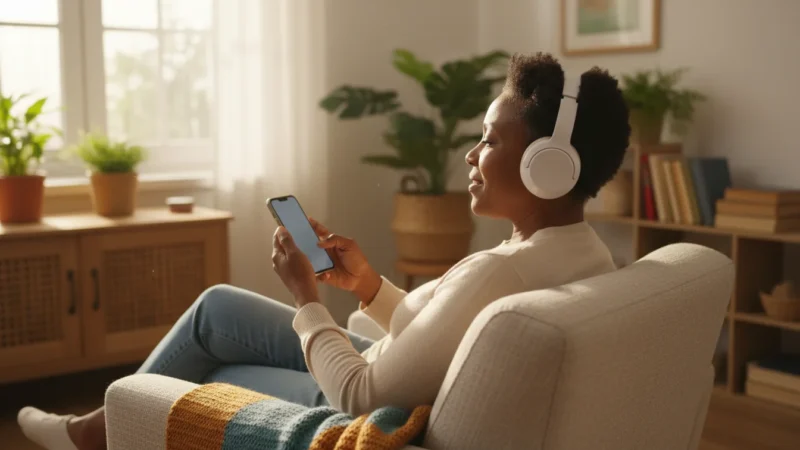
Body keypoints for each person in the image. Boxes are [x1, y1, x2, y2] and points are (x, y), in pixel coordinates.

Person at [17, 52, 630, 450]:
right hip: (406, 369)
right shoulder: (582, 254)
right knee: (217, 309)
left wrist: (305, 298)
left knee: (216, 365)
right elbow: (448, 330)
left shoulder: (501, 271)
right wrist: (368, 287)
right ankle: (96, 431)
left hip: (372, 403)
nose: (471, 154)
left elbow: (361, 396)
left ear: (546, 167)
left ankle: (97, 432)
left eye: (491, 139)